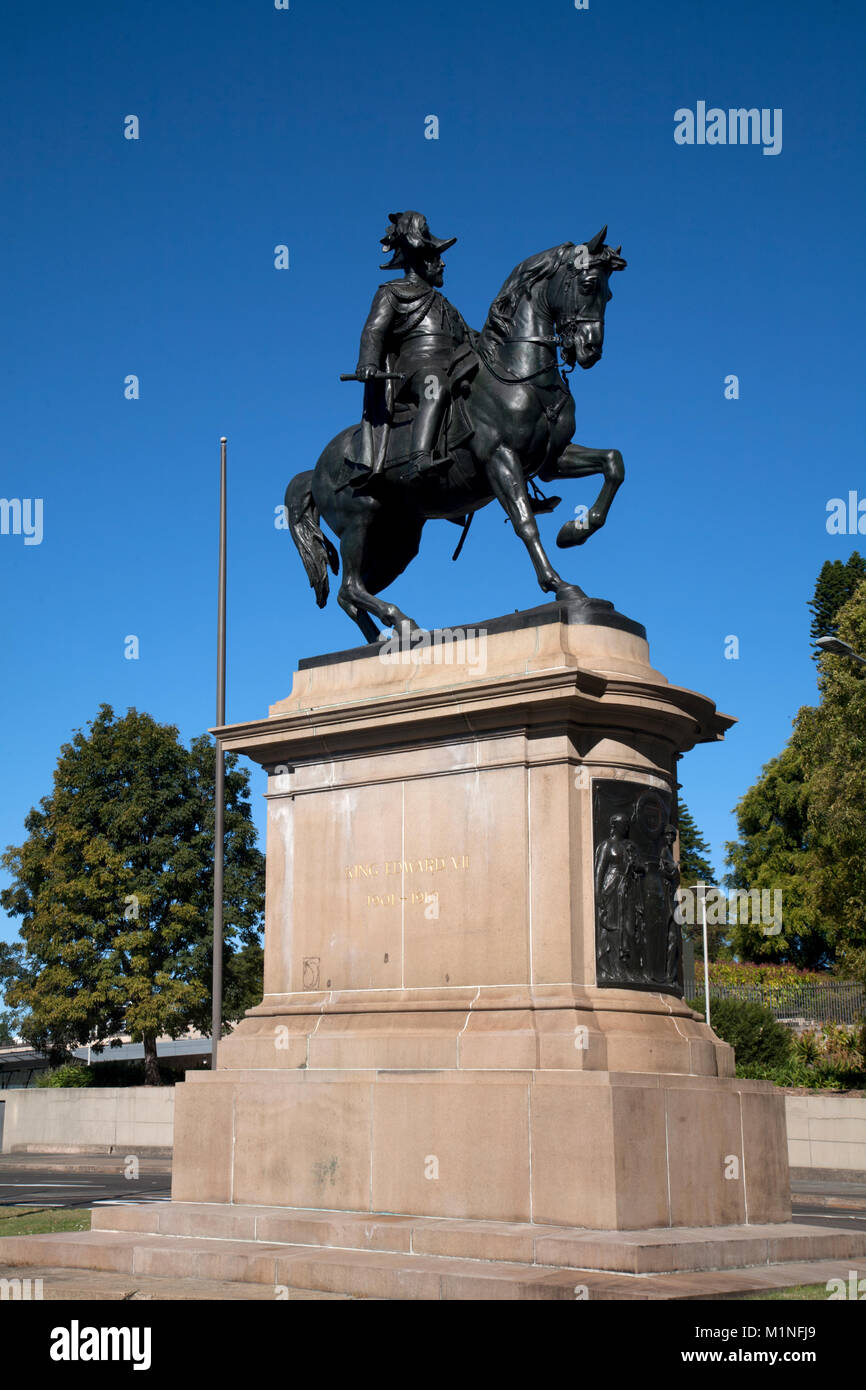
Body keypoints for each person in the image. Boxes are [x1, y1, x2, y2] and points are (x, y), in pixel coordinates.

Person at [354, 211, 476, 488]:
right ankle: (419, 458)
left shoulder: (445, 304)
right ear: (419, 260)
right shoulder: (392, 292)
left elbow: (470, 335)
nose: (442, 263)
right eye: (435, 257)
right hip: (413, 371)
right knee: (436, 386)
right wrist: (368, 362)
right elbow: (374, 330)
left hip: (453, 365)